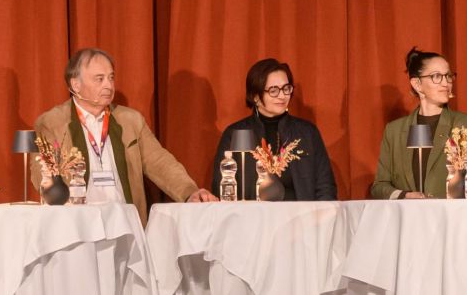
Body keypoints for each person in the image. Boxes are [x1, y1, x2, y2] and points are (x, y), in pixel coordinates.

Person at [31, 48, 217, 224]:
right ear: (75, 84)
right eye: (99, 79)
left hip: (126, 222)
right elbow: (43, 175)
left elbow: (160, 162)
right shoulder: (52, 123)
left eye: (111, 78)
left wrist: (189, 192)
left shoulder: (131, 120)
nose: (108, 85)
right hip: (79, 225)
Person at [212, 58, 337, 200]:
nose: (282, 95)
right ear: (255, 96)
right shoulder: (235, 134)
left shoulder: (307, 132)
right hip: (252, 219)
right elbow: (221, 188)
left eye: (286, 88)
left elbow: (325, 187)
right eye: (274, 90)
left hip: (301, 218)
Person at [371, 47, 467, 200]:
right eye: (436, 76)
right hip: (408, 218)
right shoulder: (394, 131)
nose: (446, 83)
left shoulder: (466, 124)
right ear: (417, 84)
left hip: (451, 218)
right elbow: (380, 186)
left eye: (448, 76)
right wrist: (405, 195)